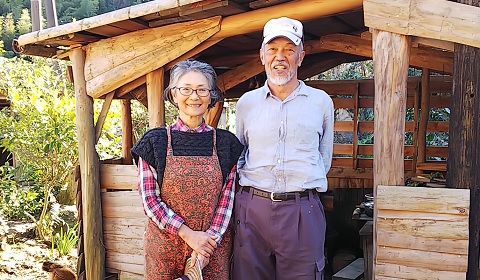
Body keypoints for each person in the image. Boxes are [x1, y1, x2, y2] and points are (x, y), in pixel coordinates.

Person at [233, 17, 334, 280]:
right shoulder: (246, 104)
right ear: (262, 56)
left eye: (289, 50)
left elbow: (324, 159)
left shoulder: (321, 102)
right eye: (273, 49)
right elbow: (241, 153)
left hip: (302, 210)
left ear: (301, 57)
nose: (281, 58)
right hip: (252, 210)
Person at [131, 60, 243, 280]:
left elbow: (227, 199)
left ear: (212, 96)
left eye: (202, 90)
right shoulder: (154, 142)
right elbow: (150, 201)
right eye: (186, 89)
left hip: (212, 249)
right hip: (165, 249)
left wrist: (206, 244)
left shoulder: (226, 144)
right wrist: (188, 235)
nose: (194, 96)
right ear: (173, 94)